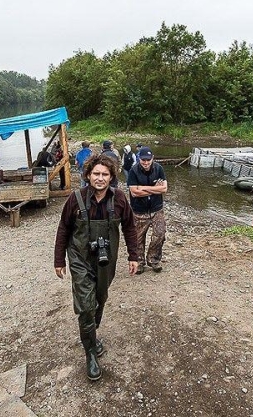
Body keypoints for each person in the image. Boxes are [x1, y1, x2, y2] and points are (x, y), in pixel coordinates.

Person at [54, 153, 140, 381]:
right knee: (85, 306)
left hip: (106, 261)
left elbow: (130, 227)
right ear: (88, 175)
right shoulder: (75, 199)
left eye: (105, 174)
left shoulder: (119, 199)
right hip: (80, 259)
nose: (100, 178)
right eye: (96, 174)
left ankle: (91, 333)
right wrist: (59, 260)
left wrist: (134, 256)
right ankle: (90, 353)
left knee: (100, 299)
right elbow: (63, 229)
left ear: (111, 177)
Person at [127, 146, 168, 274]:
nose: (146, 162)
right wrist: (155, 189)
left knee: (160, 234)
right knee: (138, 238)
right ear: (139, 159)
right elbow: (134, 192)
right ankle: (139, 262)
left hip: (156, 209)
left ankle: (153, 259)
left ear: (152, 158)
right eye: (143, 160)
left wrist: (142, 188)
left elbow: (164, 189)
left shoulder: (159, 169)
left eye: (148, 160)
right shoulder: (133, 171)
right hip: (139, 210)